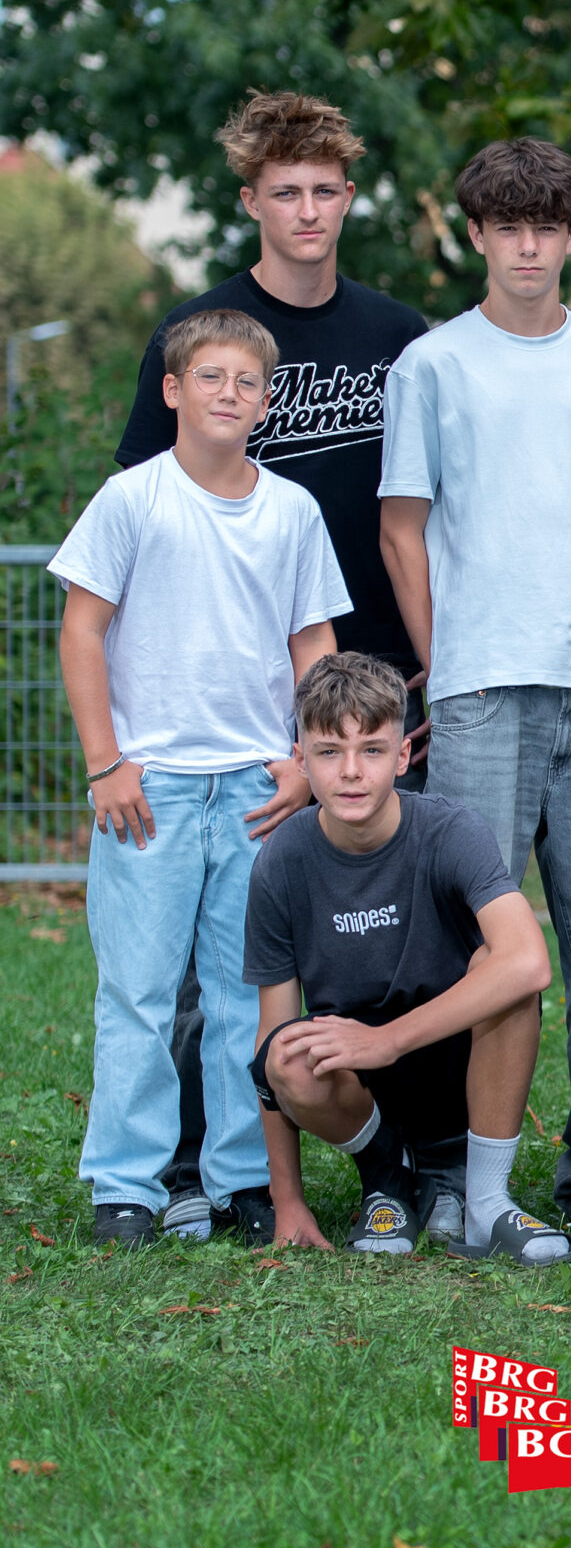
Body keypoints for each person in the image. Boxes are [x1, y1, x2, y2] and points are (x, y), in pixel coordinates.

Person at [109, 91, 428, 1243]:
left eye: (323, 190)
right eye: (283, 191)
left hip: (365, 694)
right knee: (192, 970)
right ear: (250, 200)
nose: (305, 210)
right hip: (220, 708)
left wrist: (406, 685)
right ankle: (179, 1171)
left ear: (349, 198)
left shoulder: (398, 337)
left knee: (356, 936)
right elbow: (139, 524)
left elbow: (428, 506)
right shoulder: (198, 336)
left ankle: (392, 1160)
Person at [378, 135, 571, 1228]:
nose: (529, 246)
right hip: (483, 690)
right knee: (466, 950)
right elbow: (402, 527)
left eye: (547, 227)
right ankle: (450, 1177)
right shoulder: (433, 364)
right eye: (508, 227)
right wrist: (446, 663)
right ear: (477, 235)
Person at [55, 308, 348, 1248]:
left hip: (258, 788)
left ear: (266, 401)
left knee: (244, 993)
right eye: (211, 377)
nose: (230, 393)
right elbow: (82, 629)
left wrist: (306, 760)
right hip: (150, 789)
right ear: (174, 390)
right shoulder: (131, 499)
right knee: (140, 993)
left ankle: (242, 1176)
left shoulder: (292, 511)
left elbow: (312, 642)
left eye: (247, 381)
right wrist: (107, 763)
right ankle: (126, 1184)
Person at [244, 654, 571, 1265]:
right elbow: (271, 1043)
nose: (351, 772)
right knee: (285, 1054)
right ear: (300, 760)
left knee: (504, 972)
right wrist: (286, 1200)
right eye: (329, 752)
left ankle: (486, 1201)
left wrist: (387, 1040)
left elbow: (530, 962)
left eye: (371, 750)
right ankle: (386, 1176)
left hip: (459, 1068)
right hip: (362, 1091)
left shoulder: (449, 830)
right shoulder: (282, 861)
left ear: (402, 757)